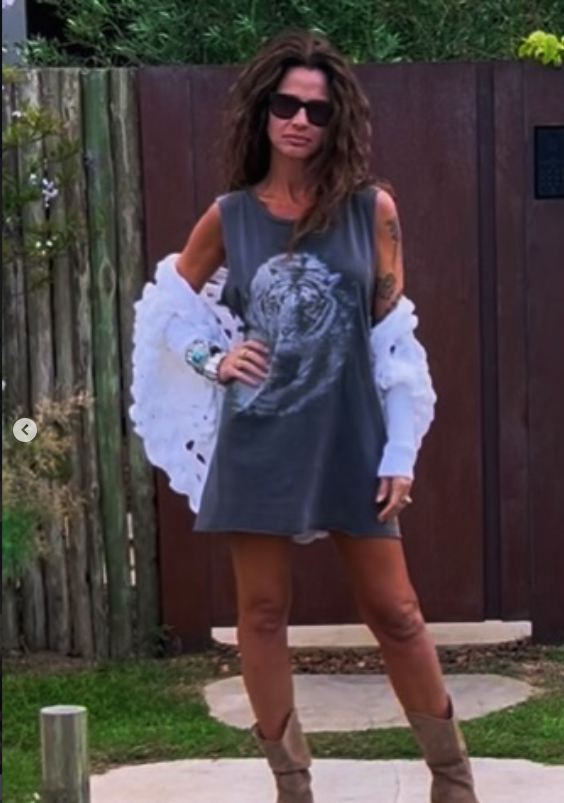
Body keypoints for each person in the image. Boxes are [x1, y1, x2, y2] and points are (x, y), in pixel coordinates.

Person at [130, 29, 481, 803]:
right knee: (261, 613)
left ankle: (453, 782)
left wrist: (399, 448)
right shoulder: (229, 215)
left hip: (349, 436)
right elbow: (167, 310)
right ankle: (292, 787)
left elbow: (393, 340)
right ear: (262, 112)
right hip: (259, 438)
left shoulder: (371, 211)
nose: (299, 121)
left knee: (396, 611)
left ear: (336, 120)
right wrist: (212, 359)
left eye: (316, 110)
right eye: (285, 105)